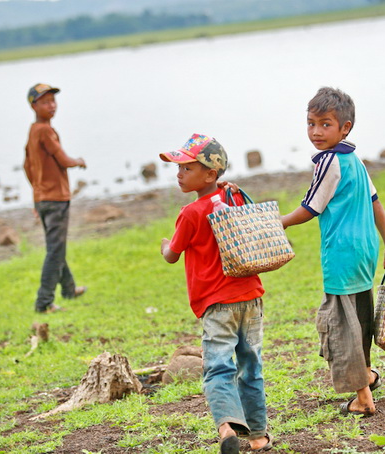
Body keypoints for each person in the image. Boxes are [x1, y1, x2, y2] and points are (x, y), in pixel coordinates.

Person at [280, 87, 385, 417]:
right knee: (359, 317)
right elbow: (377, 204)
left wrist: (283, 222)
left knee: (340, 325)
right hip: (365, 252)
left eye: (325, 124)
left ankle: (363, 397)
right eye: (310, 124)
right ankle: (369, 375)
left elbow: (311, 207)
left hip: (342, 255)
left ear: (344, 128)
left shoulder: (330, 161)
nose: (316, 132)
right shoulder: (355, 161)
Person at [159, 134, 272, 453]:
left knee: (219, 367)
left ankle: (227, 428)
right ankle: (259, 436)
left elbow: (173, 255)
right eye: (178, 167)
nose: (179, 173)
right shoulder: (234, 196)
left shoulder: (191, 213)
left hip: (216, 305)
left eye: (186, 167)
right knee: (251, 366)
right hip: (250, 297)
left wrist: (166, 246)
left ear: (210, 174)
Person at [23, 83, 87, 314]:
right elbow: (63, 160)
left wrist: (37, 194)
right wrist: (79, 160)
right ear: (34, 105)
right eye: (45, 102)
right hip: (56, 199)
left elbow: (27, 166)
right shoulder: (45, 131)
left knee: (55, 247)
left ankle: (69, 289)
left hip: (43, 199)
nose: (51, 105)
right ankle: (44, 302)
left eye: (53, 100)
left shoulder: (33, 130)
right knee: (55, 251)